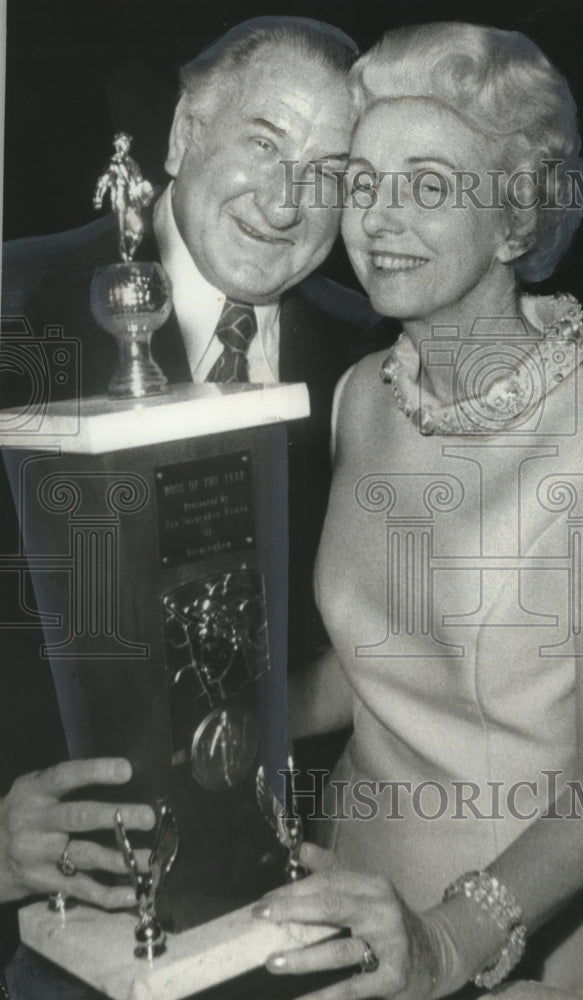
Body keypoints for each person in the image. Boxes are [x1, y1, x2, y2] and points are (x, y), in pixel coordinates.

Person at [252, 22, 583, 999]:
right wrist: (226, 713)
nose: (376, 220)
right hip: (352, 892)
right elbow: (372, 671)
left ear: (515, 218)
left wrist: (450, 939)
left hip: (520, 928)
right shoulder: (360, 396)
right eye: (362, 183)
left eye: (428, 186)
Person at [0, 15, 395, 988]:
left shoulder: (375, 362)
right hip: (57, 931)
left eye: (329, 170)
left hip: (297, 925)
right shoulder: (14, 308)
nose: (286, 198)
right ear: (183, 133)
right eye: (264, 142)